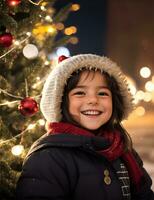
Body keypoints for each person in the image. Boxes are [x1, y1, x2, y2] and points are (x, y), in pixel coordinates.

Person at [16, 54, 154, 200]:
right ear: (61, 101)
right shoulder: (48, 158)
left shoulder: (123, 148)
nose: (93, 100)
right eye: (80, 93)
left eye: (102, 93)